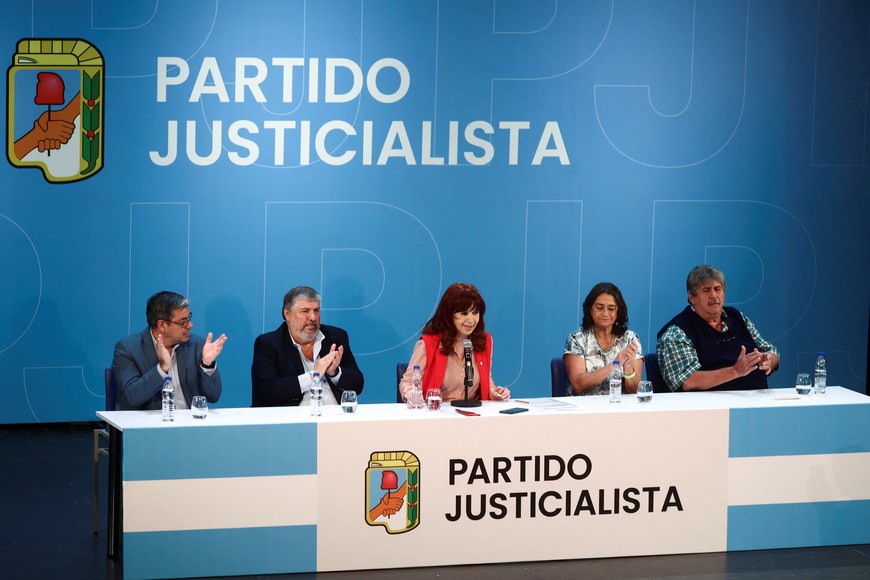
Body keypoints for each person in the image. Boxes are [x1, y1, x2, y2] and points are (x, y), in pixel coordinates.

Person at [656, 265, 780, 391]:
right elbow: (688, 381)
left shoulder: (738, 317)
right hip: (710, 408)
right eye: (706, 290)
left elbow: (771, 351)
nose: (714, 295)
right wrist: (735, 371)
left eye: (717, 289)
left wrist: (769, 360)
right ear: (692, 297)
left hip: (756, 403)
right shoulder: (677, 331)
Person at [113, 291, 227, 410]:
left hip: (189, 424)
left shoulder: (196, 345)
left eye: (189, 319)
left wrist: (207, 365)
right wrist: (162, 368)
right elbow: (133, 397)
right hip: (150, 425)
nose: (190, 325)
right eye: (183, 322)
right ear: (162, 325)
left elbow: (213, 396)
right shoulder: (128, 349)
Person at [251, 286, 364, 407]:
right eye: (305, 311)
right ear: (287, 314)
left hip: (335, 418)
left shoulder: (335, 337)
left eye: (316, 310)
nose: (313, 317)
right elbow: (267, 391)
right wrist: (314, 375)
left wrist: (335, 373)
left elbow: (358, 385)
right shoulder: (269, 344)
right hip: (292, 420)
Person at [400, 282, 510, 403]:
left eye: (475, 313)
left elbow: (485, 378)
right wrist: (411, 395)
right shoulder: (429, 344)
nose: (471, 319)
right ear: (449, 314)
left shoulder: (484, 342)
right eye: (463, 313)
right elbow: (407, 382)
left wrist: (493, 392)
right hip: (438, 414)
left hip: (472, 416)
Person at [563, 282, 643, 396]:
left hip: (620, 408)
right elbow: (578, 385)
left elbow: (635, 390)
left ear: (618, 312)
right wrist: (615, 365)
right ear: (590, 310)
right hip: (585, 409)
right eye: (599, 307)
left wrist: (628, 367)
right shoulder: (577, 339)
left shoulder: (631, 339)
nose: (605, 313)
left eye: (611, 308)